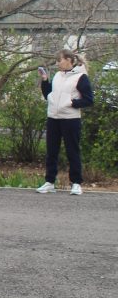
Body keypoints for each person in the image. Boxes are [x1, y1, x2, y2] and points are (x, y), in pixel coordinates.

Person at [37, 49, 94, 195]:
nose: (57, 63)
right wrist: (45, 80)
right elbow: (48, 94)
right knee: (51, 151)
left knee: (72, 151)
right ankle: (50, 182)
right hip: (53, 118)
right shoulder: (57, 76)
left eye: (59, 60)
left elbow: (89, 99)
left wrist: (71, 102)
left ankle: (76, 183)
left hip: (70, 119)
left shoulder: (80, 77)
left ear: (69, 60)